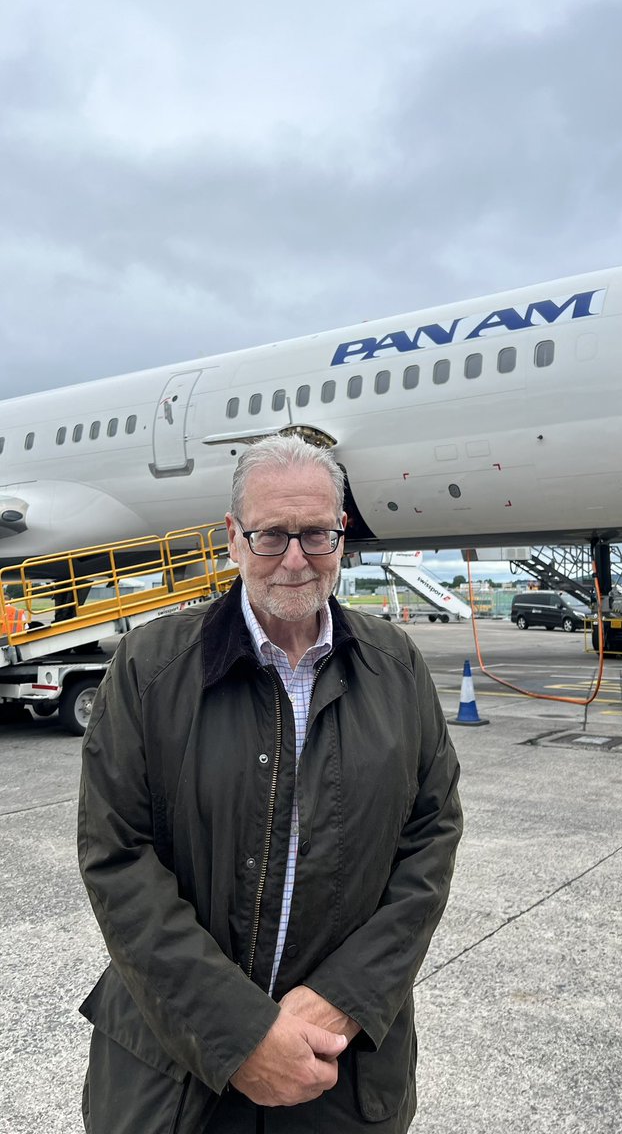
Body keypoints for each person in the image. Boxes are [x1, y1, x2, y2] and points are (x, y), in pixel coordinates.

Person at [78, 434, 463, 1134]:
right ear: (232, 538)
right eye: (270, 535)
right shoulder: (148, 667)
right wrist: (239, 1034)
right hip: (172, 1077)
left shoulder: (396, 666)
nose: (294, 559)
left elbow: (430, 840)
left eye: (315, 534)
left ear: (341, 537)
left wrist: (342, 997)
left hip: (339, 1070)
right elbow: (116, 857)